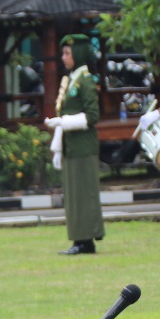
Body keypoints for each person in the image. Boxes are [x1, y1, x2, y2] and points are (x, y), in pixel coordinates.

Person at [46, 33, 104, 255]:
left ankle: (86, 240)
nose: (63, 57)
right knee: (73, 195)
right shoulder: (72, 79)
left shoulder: (86, 81)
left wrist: (63, 122)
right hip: (71, 145)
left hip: (83, 146)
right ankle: (79, 239)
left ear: (78, 54)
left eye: (67, 53)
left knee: (83, 194)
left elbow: (92, 116)